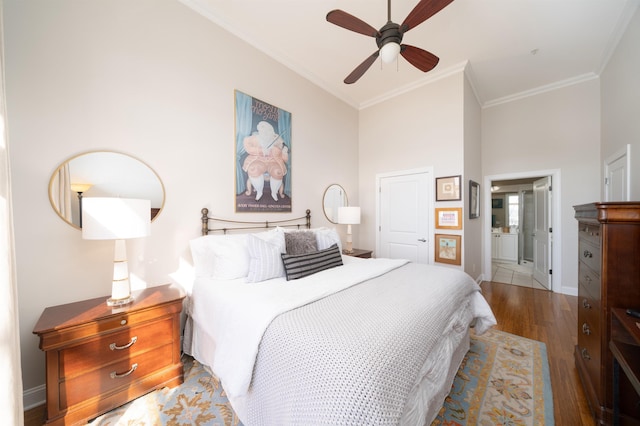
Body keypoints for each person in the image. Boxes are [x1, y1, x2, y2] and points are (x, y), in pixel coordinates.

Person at [242, 121, 289, 201]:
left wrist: (284, 151)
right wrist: (261, 150)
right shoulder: (254, 138)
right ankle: (259, 192)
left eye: (266, 130)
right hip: (258, 159)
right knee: (253, 169)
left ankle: (274, 193)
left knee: (277, 171)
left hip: (273, 161)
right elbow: (247, 146)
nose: (264, 132)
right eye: (261, 130)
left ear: (271, 130)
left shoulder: (277, 139)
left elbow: (285, 158)